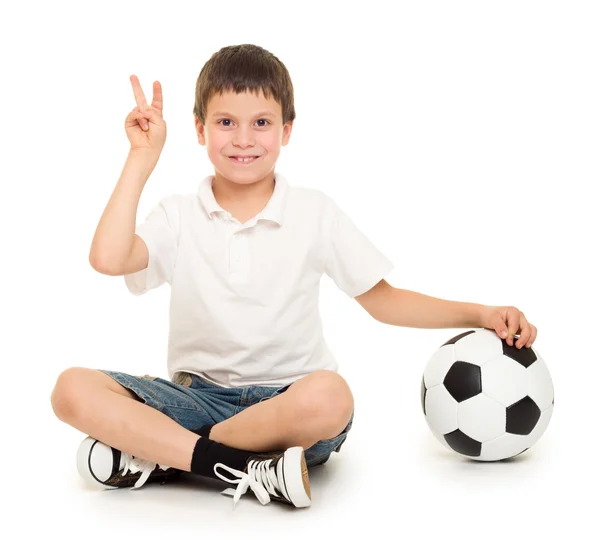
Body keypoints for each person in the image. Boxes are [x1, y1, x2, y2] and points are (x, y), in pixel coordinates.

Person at [50, 44, 538, 509]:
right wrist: (142, 158)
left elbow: (384, 300)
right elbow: (109, 259)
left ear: (286, 130)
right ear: (199, 130)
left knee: (331, 395)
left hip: (287, 408)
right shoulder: (178, 215)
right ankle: (235, 466)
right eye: (225, 123)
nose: (243, 139)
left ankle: (166, 455)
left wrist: (480, 312)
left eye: (261, 123)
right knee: (71, 388)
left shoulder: (313, 212)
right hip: (195, 398)